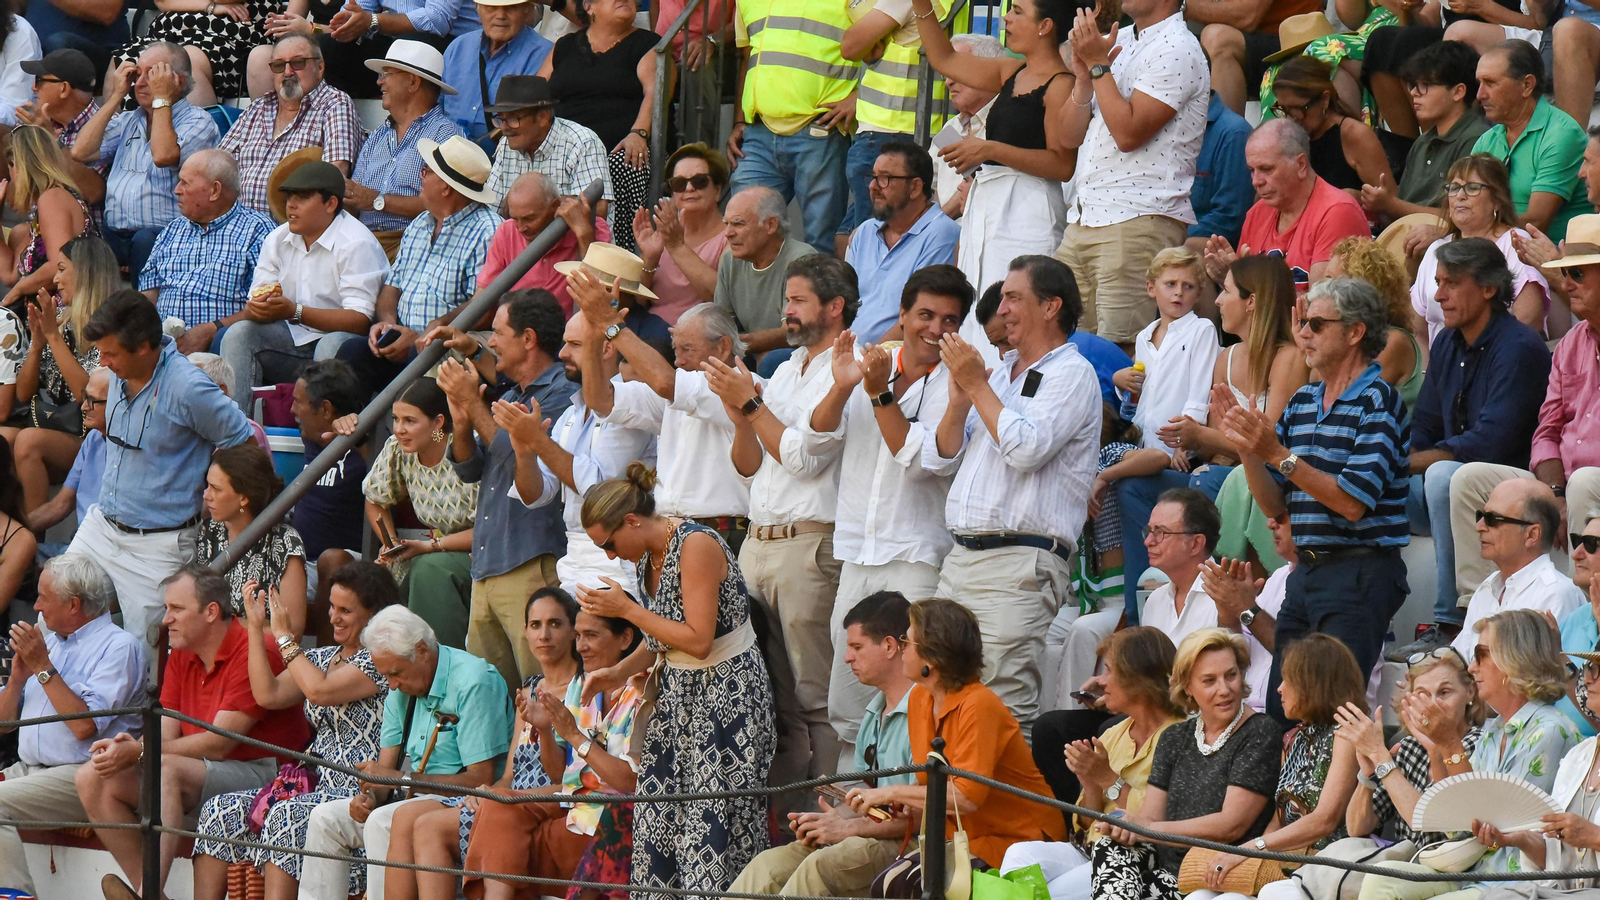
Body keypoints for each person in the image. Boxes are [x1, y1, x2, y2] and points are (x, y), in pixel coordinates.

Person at [575, 464, 777, 900]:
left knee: (714, 835)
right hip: (679, 700)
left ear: (631, 521)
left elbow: (699, 640)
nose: (610, 555)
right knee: (659, 827)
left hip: (728, 700)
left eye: (609, 543)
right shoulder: (648, 554)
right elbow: (661, 638)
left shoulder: (696, 544)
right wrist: (616, 671)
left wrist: (626, 610)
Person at [1217, 276, 1409, 720]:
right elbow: (1273, 506)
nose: (1303, 332)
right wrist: (1247, 448)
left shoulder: (1379, 402)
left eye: (1316, 324)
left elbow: (1352, 502)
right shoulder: (1304, 400)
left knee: (1330, 714)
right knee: (1285, 710)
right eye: (1302, 322)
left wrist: (1277, 454)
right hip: (1306, 574)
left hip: (1359, 574)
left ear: (1355, 332)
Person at [925, 255, 1100, 728]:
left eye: (1013, 297)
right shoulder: (1000, 373)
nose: (1000, 309)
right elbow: (942, 457)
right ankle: (942, 803)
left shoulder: (1072, 372)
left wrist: (977, 385)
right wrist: (963, 400)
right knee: (939, 696)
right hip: (960, 557)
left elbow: (1026, 450)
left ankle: (1009, 805)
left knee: (1000, 708)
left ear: (1051, 306)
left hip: (1019, 563)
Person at [703, 253, 852, 777]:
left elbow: (805, 460)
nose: (785, 310)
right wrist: (739, 416)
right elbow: (748, 468)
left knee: (816, 697)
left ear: (834, 307)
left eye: (797, 300)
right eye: (785, 300)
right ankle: (785, 816)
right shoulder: (784, 370)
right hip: (758, 541)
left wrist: (749, 407)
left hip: (808, 545)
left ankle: (827, 808)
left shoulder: (845, 366)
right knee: (770, 697)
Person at [809, 265, 969, 754]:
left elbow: (927, 462)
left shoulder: (956, 380)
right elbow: (815, 439)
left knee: (914, 695)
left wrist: (878, 393)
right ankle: (847, 819)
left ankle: (903, 811)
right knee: (848, 698)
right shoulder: (868, 362)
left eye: (949, 319)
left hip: (917, 555)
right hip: (857, 552)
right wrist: (841, 387)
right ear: (902, 314)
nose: (936, 329)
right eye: (925, 314)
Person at [84, 565, 312, 900]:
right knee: (92, 778)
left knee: (168, 771)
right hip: (203, 770)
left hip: (269, 775)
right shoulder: (181, 652)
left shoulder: (254, 648)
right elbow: (166, 733)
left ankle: (147, 894)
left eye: (176, 609)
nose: (166, 620)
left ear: (211, 612)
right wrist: (131, 747)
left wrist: (143, 752)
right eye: (166, 609)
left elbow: (219, 743)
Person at [190, 561, 395, 900]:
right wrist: (257, 628)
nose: (333, 617)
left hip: (357, 790)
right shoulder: (322, 657)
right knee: (219, 810)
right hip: (316, 784)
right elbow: (267, 694)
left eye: (346, 610)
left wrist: (284, 636)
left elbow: (320, 691)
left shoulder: (380, 660)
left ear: (374, 616)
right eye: (331, 606)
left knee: (287, 816)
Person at [66, 291, 254, 650]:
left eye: (110, 353)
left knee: (145, 657)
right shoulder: (117, 370)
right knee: (55, 610)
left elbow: (243, 442)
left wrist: (215, 497)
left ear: (143, 349)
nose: (101, 361)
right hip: (101, 526)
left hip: (159, 545)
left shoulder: (189, 387)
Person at [1356, 608, 1581, 899]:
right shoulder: (1493, 730)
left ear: (1514, 658)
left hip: (1515, 883)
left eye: (1481, 654)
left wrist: (1449, 745)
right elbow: (1456, 824)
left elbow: (1495, 823)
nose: (1473, 668)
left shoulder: (1550, 730)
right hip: (1473, 874)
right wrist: (1438, 749)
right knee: (1379, 884)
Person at [1444, 216, 1600, 626]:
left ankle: (1581, 620)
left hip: (1593, 482)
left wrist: (1568, 488)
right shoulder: (1570, 343)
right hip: (1564, 481)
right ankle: (1479, 618)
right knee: (1467, 480)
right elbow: (1546, 431)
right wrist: (1555, 491)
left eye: (1578, 273)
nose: (1567, 284)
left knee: (1586, 479)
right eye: (1565, 273)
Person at [297, 605, 512, 900]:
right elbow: (386, 776)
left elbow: (480, 779)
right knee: (325, 819)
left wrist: (400, 779)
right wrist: (371, 796)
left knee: (381, 822)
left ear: (422, 650)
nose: (392, 685)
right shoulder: (399, 687)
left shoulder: (473, 681)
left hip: (463, 802)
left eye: (396, 673)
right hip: (411, 797)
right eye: (387, 675)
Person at [380, 587, 581, 900]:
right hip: (508, 793)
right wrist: (487, 791)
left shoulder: (584, 688)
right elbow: (509, 771)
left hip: (546, 799)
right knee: (404, 817)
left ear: (573, 632)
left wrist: (502, 795)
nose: (544, 634)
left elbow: (565, 778)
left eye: (555, 624)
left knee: (428, 827)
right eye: (535, 625)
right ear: (525, 631)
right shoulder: (529, 689)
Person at [1120, 255, 1305, 592]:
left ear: (1251, 302)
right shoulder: (1226, 357)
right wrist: (1195, 439)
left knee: (1205, 481)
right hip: (1220, 468)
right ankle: (1140, 608)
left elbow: (1269, 443)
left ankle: (1209, 591)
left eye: (1227, 291)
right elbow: (1218, 442)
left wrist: (1201, 435)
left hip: (1264, 474)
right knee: (1133, 487)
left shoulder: (1289, 357)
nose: (1217, 300)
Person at [844, 597, 1064, 866]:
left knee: (907, 884)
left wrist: (891, 793)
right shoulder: (919, 699)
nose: (901, 650)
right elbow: (932, 782)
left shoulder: (979, 704)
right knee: (893, 883)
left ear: (932, 657)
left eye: (907, 642)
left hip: (1020, 842)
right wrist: (892, 807)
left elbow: (967, 797)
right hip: (963, 840)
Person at [429, 289, 576, 689]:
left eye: (497, 333)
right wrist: (461, 420)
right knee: (488, 698)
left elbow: (524, 460)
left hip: (530, 562)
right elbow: (470, 468)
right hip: (488, 563)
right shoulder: (510, 396)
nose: (489, 342)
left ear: (528, 339)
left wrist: (474, 407)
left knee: (543, 690)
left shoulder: (563, 394)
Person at [451, 599, 643, 900]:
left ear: (625, 638)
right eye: (578, 636)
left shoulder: (644, 693)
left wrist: (574, 736)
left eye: (591, 635)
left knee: (510, 845)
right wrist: (544, 730)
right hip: (572, 803)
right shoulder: (583, 686)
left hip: (610, 818)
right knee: (498, 804)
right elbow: (563, 775)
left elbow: (629, 783)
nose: (581, 646)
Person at [730, 592, 917, 898]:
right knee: (768, 865)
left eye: (856, 647)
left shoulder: (923, 711)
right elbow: (869, 796)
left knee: (818, 868)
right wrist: (831, 820)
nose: (847, 657)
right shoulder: (873, 713)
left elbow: (922, 817)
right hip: (870, 832)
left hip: (910, 842)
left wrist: (848, 828)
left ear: (889, 646)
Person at [1081, 628, 1282, 900]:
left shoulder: (1259, 732)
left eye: (1231, 675)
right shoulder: (1175, 737)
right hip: (1166, 863)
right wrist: (1124, 825)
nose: (1224, 690)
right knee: (1109, 847)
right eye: (1209, 681)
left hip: (1215, 869)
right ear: (1188, 686)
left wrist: (1145, 829)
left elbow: (1230, 826)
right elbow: (1151, 817)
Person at [910, 0, 1074, 330]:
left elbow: (1062, 165)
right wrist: (921, 5)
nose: (1006, 18)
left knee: (1015, 310)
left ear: (1045, 26)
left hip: (1029, 206)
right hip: (987, 203)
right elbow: (945, 59)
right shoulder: (1009, 71)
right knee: (978, 313)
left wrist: (990, 149)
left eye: (1018, 12)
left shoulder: (1062, 84)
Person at [1055, 0, 1209, 349]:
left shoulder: (1180, 48)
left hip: (1138, 220)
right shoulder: (1117, 40)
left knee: (1119, 353)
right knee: (1062, 346)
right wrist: (1083, 78)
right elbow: (1067, 138)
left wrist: (1097, 64)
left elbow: (1128, 134)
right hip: (1083, 217)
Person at [0, 554, 144, 900]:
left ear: (74, 605)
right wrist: (18, 681)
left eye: (43, 598)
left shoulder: (118, 646)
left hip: (81, 775)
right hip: (28, 771)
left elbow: (84, 727)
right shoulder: (48, 643)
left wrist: (42, 667)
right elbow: (4, 726)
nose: (35, 606)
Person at [572, 286, 751, 550]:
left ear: (723, 347)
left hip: (720, 534)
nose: (678, 361)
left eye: (687, 349)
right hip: (670, 533)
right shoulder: (671, 397)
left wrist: (612, 325)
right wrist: (592, 338)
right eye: (675, 350)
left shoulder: (745, 386)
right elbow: (600, 399)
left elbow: (666, 383)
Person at [1191, 635, 1365, 898]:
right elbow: (1279, 817)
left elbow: (1325, 820)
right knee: (1201, 896)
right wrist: (1252, 861)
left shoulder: (1347, 734)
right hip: (1287, 859)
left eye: (1288, 680)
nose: (1279, 689)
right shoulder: (1293, 737)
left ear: (1312, 684)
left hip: (1328, 863)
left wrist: (1253, 848)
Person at [498, 307, 655, 596]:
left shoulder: (631, 407)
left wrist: (539, 441)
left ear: (606, 347)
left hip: (618, 553)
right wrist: (525, 451)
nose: (562, 353)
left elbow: (598, 488)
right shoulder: (570, 413)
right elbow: (535, 496)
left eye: (575, 344)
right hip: (573, 552)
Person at [1018, 627, 1183, 896]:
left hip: (1138, 857)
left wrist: (1108, 779)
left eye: (1108, 670)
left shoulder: (1181, 736)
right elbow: (1083, 825)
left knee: (1049, 893)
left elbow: (1163, 820)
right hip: (1092, 847)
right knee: (1020, 855)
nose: (1100, 682)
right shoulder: (1112, 733)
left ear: (1138, 679)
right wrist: (1091, 784)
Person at [1097, 249, 1222, 586]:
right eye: (1170, 284)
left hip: (1176, 451)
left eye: (1188, 286)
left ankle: (1155, 581)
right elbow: (1141, 403)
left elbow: (1199, 392)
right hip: (1145, 445)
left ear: (1198, 293)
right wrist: (1123, 385)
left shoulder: (1201, 330)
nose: (1178, 293)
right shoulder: (1144, 335)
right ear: (1152, 288)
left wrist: (1188, 442)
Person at [339, 133, 501, 394]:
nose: (420, 176)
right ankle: (350, 433)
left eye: (426, 171)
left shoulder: (488, 231)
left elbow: (484, 309)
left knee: (426, 355)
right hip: (404, 338)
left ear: (446, 187)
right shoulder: (420, 223)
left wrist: (430, 332)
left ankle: (434, 437)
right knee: (350, 354)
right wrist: (389, 325)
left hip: (445, 345)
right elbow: (392, 288)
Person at [227, 159, 388, 412]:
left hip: (348, 347)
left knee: (330, 344)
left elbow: (359, 320)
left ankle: (324, 440)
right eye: (289, 196)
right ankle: (238, 435)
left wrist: (294, 311)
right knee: (241, 333)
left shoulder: (356, 242)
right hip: (293, 340)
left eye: (302, 197)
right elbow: (260, 298)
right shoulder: (277, 238)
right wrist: (260, 308)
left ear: (331, 204)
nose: (291, 205)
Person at [341, 378, 478, 647]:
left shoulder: (466, 449)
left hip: (482, 548)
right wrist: (390, 544)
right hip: (436, 547)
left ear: (438, 422)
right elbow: (375, 499)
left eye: (410, 421)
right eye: (396, 419)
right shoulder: (398, 448)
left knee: (428, 570)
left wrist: (431, 546)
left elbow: (490, 527)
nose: (400, 429)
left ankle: (434, 662)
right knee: (372, 580)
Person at [70, 41, 220, 276]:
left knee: (144, 240)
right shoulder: (129, 120)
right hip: (116, 233)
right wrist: (116, 96)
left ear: (178, 81)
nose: (139, 83)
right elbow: (81, 152)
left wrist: (162, 99)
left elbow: (163, 155)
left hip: (167, 236)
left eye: (152, 75)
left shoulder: (198, 121)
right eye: (137, 74)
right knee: (82, 245)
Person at [723, 0, 858, 253]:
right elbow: (748, 56)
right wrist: (739, 120)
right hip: (758, 132)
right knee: (743, 234)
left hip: (820, 129)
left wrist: (858, 97)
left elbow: (884, 46)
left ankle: (810, 295)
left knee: (821, 242)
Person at [5, 235, 116, 515]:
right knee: (4, 437)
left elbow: (87, 394)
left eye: (62, 269)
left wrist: (52, 337)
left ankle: (33, 544)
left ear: (87, 272)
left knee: (29, 440)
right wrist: (37, 344)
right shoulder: (60, 317)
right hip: (51, 421)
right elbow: (23, 394)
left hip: (91, 434)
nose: (55, 279)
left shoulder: (111, 326)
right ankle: (11, 534)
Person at [1338, 645, 1486, 846]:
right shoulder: (1409, 746)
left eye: (1444, 692)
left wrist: (1380, 756)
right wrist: (1367, 776)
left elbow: (1426, 821)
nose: (1433, 704)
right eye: (1423, 694)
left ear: (1470, 692)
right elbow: (1357, 827)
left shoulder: (1481, 744)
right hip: (1406, 866)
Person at [537, 0, 655, 251]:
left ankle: (617, 254)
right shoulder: (564, 46)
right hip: (563, 149)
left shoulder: (649, 45)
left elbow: (655, 94)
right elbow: (535, 93)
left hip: (615, 148)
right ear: (589, 6)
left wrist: (639, 133)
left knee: (629, 160)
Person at [138, 149, 277, 355]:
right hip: (161, 348)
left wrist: (212, 330)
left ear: (215, 190)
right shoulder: (173, 230)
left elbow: (267, 306)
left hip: (220, 349)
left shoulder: (257, 231)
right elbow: (148, 293)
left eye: (185, 183)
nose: (177, 190)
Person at [1202, 119, 1370, 289]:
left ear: (1301, 165)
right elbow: (1248, 305)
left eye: (1266, 169)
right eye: (1252, 171)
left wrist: (1246, 286)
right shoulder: (1256, 214)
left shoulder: (1338, 212)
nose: (1256, 181)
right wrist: (1232, 280)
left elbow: (1320, 307)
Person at [1410, 156, 1552, 343]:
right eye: (1454, 188)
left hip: (1501, 362)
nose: (1460, 195)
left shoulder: (1514, 241)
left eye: (1472, 188)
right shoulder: (1436, 249)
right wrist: (1428, 371)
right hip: (1442, 364)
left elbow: (1529, 320)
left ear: (1497, 200)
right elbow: (1417, 329)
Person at [219, 35, 364, 216]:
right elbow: (220, 165)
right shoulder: (259, 107)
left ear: (320, 67)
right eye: (279, 66)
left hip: (293, 231)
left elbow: (333, 177)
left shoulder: (335, 104)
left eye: (298, 63)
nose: (287, 72)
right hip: (238, 226)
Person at [345, 41, 466, 253]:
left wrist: (376, 201)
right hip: (362, 243)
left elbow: (445, 204)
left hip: (416, 246)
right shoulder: (378, 136)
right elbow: (355, 199)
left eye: (387, 74)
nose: (379, 82)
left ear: (412, 82)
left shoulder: (447, 136)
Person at [1469, 40, 1592, 243]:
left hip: (1556, 264)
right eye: (1479, 83)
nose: (1480, 94)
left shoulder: (1561, 135)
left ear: (1526, 85)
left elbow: (1536, 222)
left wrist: (1470, 229)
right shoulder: (1487, 141)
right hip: (1500, 253)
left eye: (1490, 83)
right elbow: (1465, 202)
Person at [1360, 40, 1490, 223]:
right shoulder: (1423, 142)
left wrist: (1391, 205)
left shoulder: (1477, 139)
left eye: (1425, 85)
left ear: (1458, 92)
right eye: (1413, 85)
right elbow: (1403, 204)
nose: (1414, 93)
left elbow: (1467, 217)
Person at [1449, 479, 1584, 656]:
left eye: (1492, 519)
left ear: (1531, 535)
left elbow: (1550, 678)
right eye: (1480, 516)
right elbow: (1460, 660)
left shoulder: (1556, 595)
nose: (1479, 526)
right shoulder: (1488, 587)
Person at [843, 143, 961, 344]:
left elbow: (919, 318)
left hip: (892, 359)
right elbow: (842, 303)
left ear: (915, 187)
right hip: (845, 355)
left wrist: (864, 361)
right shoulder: (865, 231)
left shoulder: (942, 233)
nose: (873, 187)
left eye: (885, 179)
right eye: (873, 177)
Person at [289, 360, 369, 642]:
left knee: (331, 559)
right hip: (303, 563)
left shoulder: (371, 440)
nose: (292, 410)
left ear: (325, 409)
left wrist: (360, 438)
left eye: (298, 402)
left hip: (355, 563)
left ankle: (326, 662)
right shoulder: (311, 438)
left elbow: (437, 436)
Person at [195, 444, 309, 625]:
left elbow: (293, 629)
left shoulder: (285, 541)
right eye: (207, 486)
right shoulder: (207, 532)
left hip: (259, 650)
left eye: (216, 489)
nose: (206, 495)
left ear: (243, 497)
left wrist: (226, 629)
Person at [1262, 55, 1395, 195]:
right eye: (1283, 109)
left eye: (1297, 109)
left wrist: (1355, 198)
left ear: (1325, 100)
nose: (1291, 118)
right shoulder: (1290, 139)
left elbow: (1390, 203)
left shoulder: (1355, 135)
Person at [713, 186, 820, 359]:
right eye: (727, 224)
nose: (728, 233)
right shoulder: (729, 260)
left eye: (738, 223)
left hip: (801, 356)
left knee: (770, 358)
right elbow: (722, 324)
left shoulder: (802, 261)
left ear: (771, 225)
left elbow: (793, 332)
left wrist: (733, 344)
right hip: (750, 352)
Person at [478, 172, 601, 316]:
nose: (520, 228)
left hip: (568, 334)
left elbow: (603, 294)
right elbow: (481, 302)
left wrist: (584, 233)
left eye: (529, 219)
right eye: (515, 219)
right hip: (512, 332)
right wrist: (447, 324)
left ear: (554, 206)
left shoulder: (592, 228)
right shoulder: (506, 231)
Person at [482, 74, 612, 210]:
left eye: (513, 119)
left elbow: (597, 209)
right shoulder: (506, 145)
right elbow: (492, 207)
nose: (504, 128)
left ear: (543, 117)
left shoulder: (581, 143)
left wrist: (535, 201)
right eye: (501, 119)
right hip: (516, 231)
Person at [632, 143, 729, 325]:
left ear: (717, 190)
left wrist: (677, 246)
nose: (689, 189)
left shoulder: (730, 236)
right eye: (679, 184)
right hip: (651, 328)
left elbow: (721, 297)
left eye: (700, 181)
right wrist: (650, 258)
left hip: (697, 335)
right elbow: (639, 301)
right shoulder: (665, 231)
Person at [1326, 237, 1424, 410]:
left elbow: (1345, 404)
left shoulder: (1394, 341)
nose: (1322, 288)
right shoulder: (1341, 336)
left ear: (1361, 289)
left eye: (1332, 281)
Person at [315, 0, 480, 102]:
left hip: (454, 46)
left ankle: (411, 122)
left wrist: (371, 20)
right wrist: (348, 20)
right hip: (398, 42)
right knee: (325, 48)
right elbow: (358, 8)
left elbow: (437, 19)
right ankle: (340, 119)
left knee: (410, 45)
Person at [0, 124, 92, 307]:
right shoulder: (35, 220)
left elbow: (60, 265)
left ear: (19, 166)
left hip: (64, 317)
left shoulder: (53, 198)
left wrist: (17, 291)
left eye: (11, 165)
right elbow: (9, 276)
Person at [439, 0, 553, 144]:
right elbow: (437, 108)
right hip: (448, 151)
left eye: (511, 8)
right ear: (477, 8)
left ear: (527, 10)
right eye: (491, 7)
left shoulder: (544, 55)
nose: (500, 15)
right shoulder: (458, 47)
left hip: (504, 157)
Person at [15, 48, 108, 207]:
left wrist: (52, 141)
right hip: (42, 227)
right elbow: (16, 201)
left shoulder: (108, 126)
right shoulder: (43, 124)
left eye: (39, 80)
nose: (33, 88)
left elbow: (94, 192)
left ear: (64, 89)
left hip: (82, 230)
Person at [26, 365, 109, 541]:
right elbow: (60, 504)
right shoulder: (93, 439)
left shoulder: (135, 446)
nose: (84, 407)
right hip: (77, 545)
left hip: (100, 549)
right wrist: (14, 529)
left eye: (92, 400)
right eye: (85, 398)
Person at [931, 33, 1003, 215]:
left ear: (990, 69)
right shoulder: (951, 127)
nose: (948, 81)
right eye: (947, 73)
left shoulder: (1009, 122)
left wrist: (937, 226)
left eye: (959, 70)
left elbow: (978, 181)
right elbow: (931, 189)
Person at [1189, 93, 1255, 251]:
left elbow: (1229, 217)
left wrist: (1172, 235)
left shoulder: (1234, 133)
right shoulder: (1166, 124)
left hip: (1201, 249)